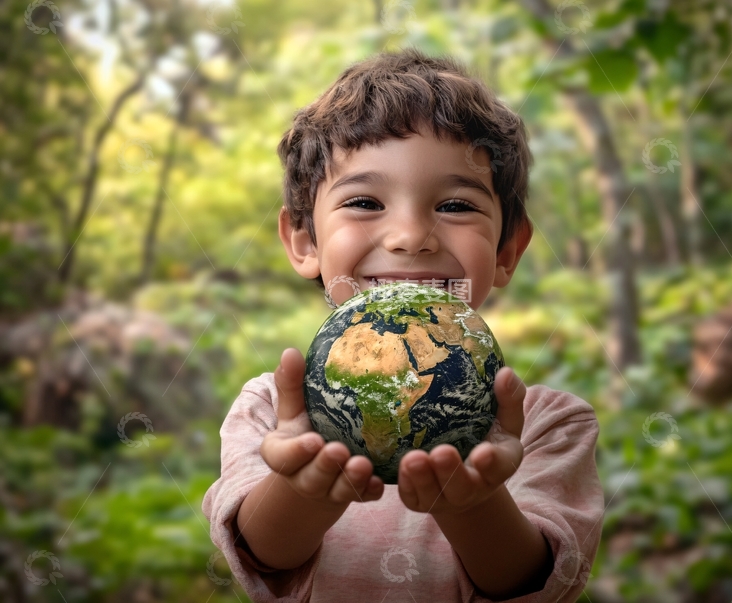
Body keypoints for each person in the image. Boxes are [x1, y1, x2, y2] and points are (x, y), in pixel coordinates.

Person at [202, 47, 603, 602]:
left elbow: (530, 583)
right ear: (304, 240)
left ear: (508, 249)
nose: (411, 236)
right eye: (365, 201)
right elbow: (264, 557)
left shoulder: (548, 427)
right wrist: (308, 489)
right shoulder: (270, 412)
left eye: (457, 206)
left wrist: (472, 500)